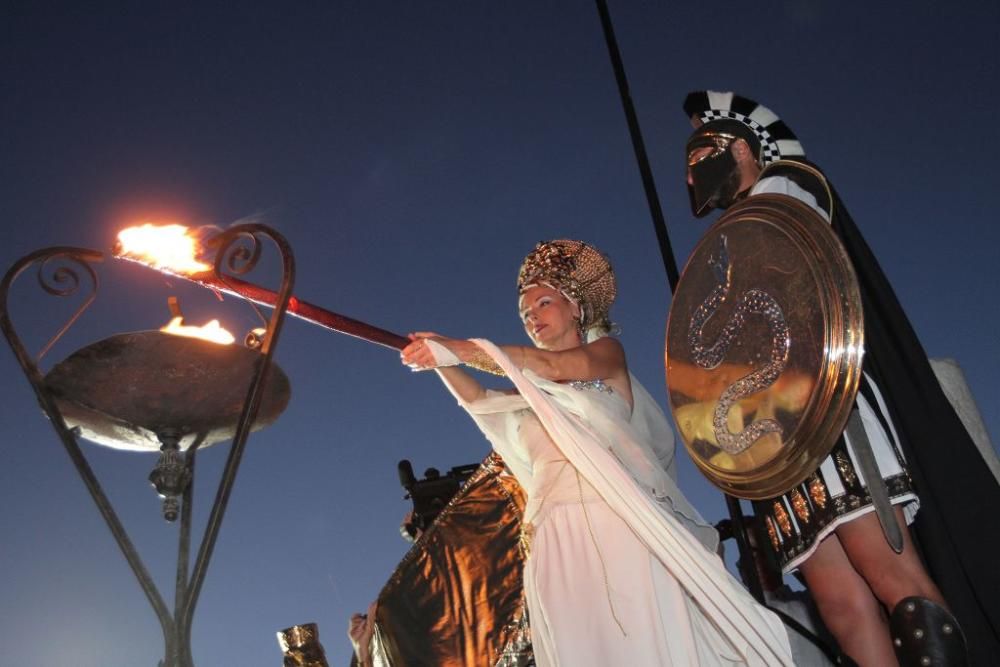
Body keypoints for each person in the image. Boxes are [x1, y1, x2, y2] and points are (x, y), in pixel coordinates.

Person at [681, 90, 999, 666]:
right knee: (839, 605)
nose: (693, 170)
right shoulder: (723, 240)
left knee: (892, 576)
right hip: (765, 432)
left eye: (706, 151)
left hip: (824, 406)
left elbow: (787, 277)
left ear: (745, 149)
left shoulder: (789, 189)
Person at [400, 239, 793, 666]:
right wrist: (439, 358)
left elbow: (548, 367)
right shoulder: (526, 392)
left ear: (576, 308)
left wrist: (460, 349)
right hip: (553, 538)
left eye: (543, 303)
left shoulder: (606, 356)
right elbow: (480, 401)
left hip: (616, 521)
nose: (532, 316)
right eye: (525, 313)